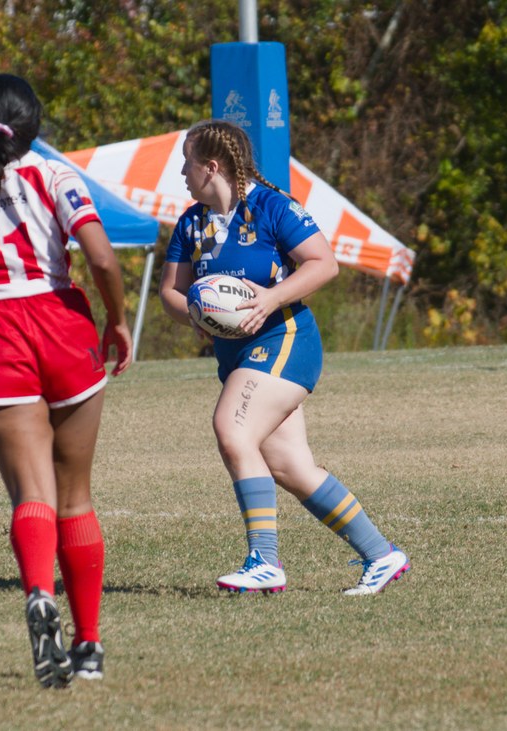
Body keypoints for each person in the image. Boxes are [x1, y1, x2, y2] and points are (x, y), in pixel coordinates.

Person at [0, 74, 132, 687]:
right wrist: (117, 321)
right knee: (75, 496)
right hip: (60, 323)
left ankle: (39, 592)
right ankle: (88, 646)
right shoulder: (55, 175)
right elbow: (102, 258)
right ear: (32, 122)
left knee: (31, 492)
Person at [159, 120, 409, 596]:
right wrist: (192, 312)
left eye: (186, 163)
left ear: (210, 166)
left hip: (284, 339)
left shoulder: (272, 207)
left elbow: (324, 263)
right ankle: (382, 554)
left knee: (232, 429)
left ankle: (264, 561)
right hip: (236, 355)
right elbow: (170, 291)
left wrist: (271, 299)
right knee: (292, 467)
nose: (181, 173)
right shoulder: (191, 223)